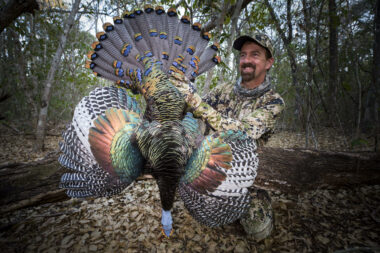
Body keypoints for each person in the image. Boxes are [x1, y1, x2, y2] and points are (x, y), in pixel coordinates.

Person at [173, 33, 285, 240]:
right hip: (209, 165)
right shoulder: (223, 90)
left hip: (244, 174)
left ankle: (251, 205)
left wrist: (196, 102)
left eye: (255, 55)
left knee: (257, 230)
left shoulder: (273, 102)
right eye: (243, 55)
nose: (247, 60)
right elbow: (188, 108)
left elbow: (241, 132)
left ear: (269, 62)